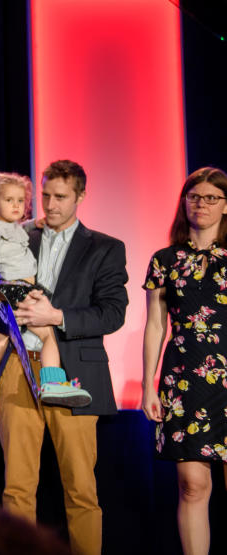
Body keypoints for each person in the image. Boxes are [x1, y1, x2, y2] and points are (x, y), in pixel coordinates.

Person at [0, 160, 128, 555]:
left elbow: (113, 312)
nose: (50, 204)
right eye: (46, 195)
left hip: (75, 371)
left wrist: (55, 317)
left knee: (80, 489)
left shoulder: (105, 247)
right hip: (20, 366)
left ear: (81, 196)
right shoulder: (17, 236)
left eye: (61, 197)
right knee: (17, 487)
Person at [142, 167, 227, 555]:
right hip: (184, 382)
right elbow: (155, 326)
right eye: (195, 197)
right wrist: (147, 385)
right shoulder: (165, 260)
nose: (202, 204)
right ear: (184, 203)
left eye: (212, 198)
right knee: (193, 484)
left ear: (225, 206)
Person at [0, 172, 90, 420]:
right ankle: (51, 382)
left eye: (19, 201)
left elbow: (17, 231)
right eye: (9, 200)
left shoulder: (12, 228)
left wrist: (34, 222)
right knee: (49, 335)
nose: (16, 206)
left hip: (18, 290)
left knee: (0, 343)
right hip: (14, 291)